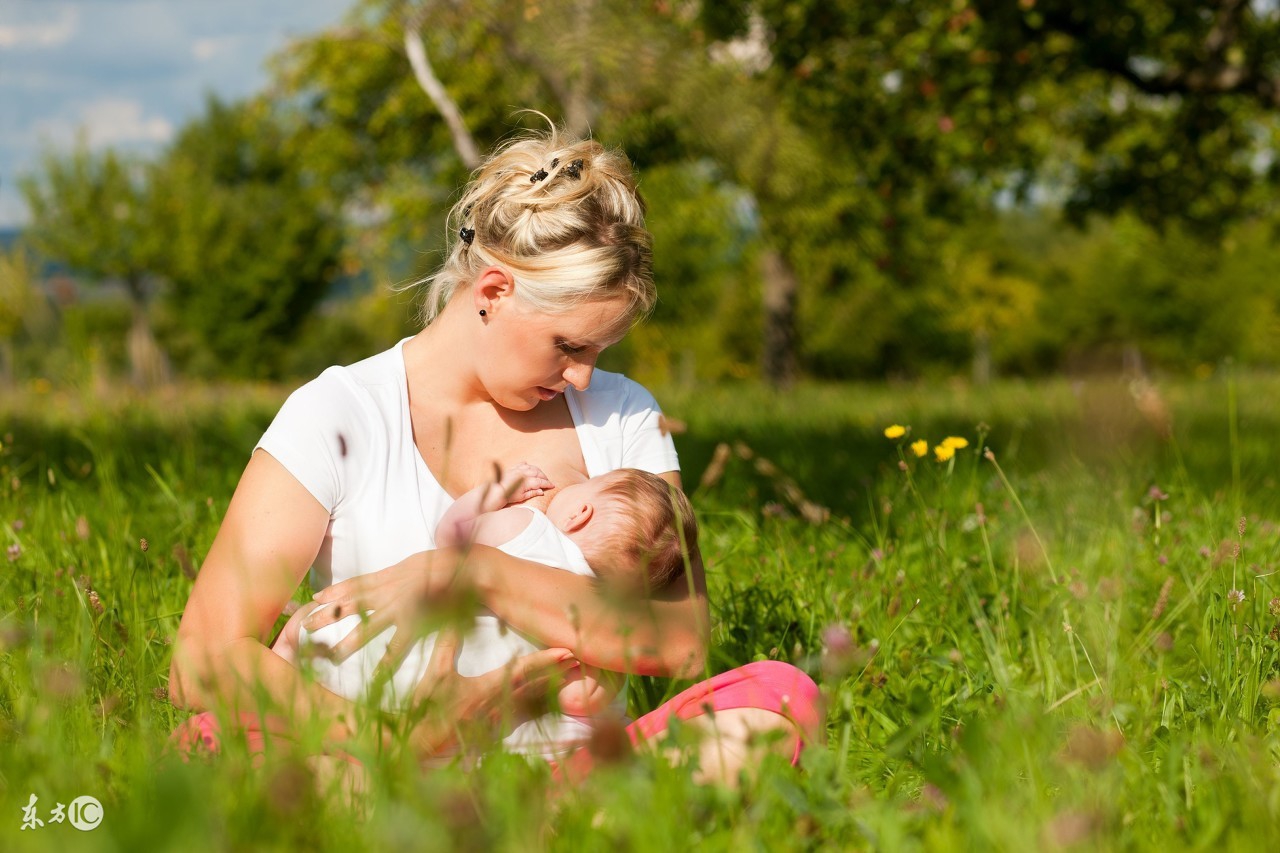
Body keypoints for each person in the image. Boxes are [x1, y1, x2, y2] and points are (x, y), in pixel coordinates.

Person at [169, 122, 821, 784]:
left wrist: (478, 573)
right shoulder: (341, 412)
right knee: (214, 738)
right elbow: (203, 658)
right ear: (493, 292)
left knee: (778, 698)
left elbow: (677, 640)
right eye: (568, 346)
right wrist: (396, 736)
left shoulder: (623, 415)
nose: (584, 377)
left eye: (600, 351)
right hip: (377, 757)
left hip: (565, 766)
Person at [272, 463, 698, 756]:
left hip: (393, 659)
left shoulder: (528, 528)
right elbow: (580, 697)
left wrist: (496, 495)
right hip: (466, 709)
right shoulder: (601, 618)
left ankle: (278, 671)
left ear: (580, 513)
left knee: (303, 630)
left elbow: (451, 536)